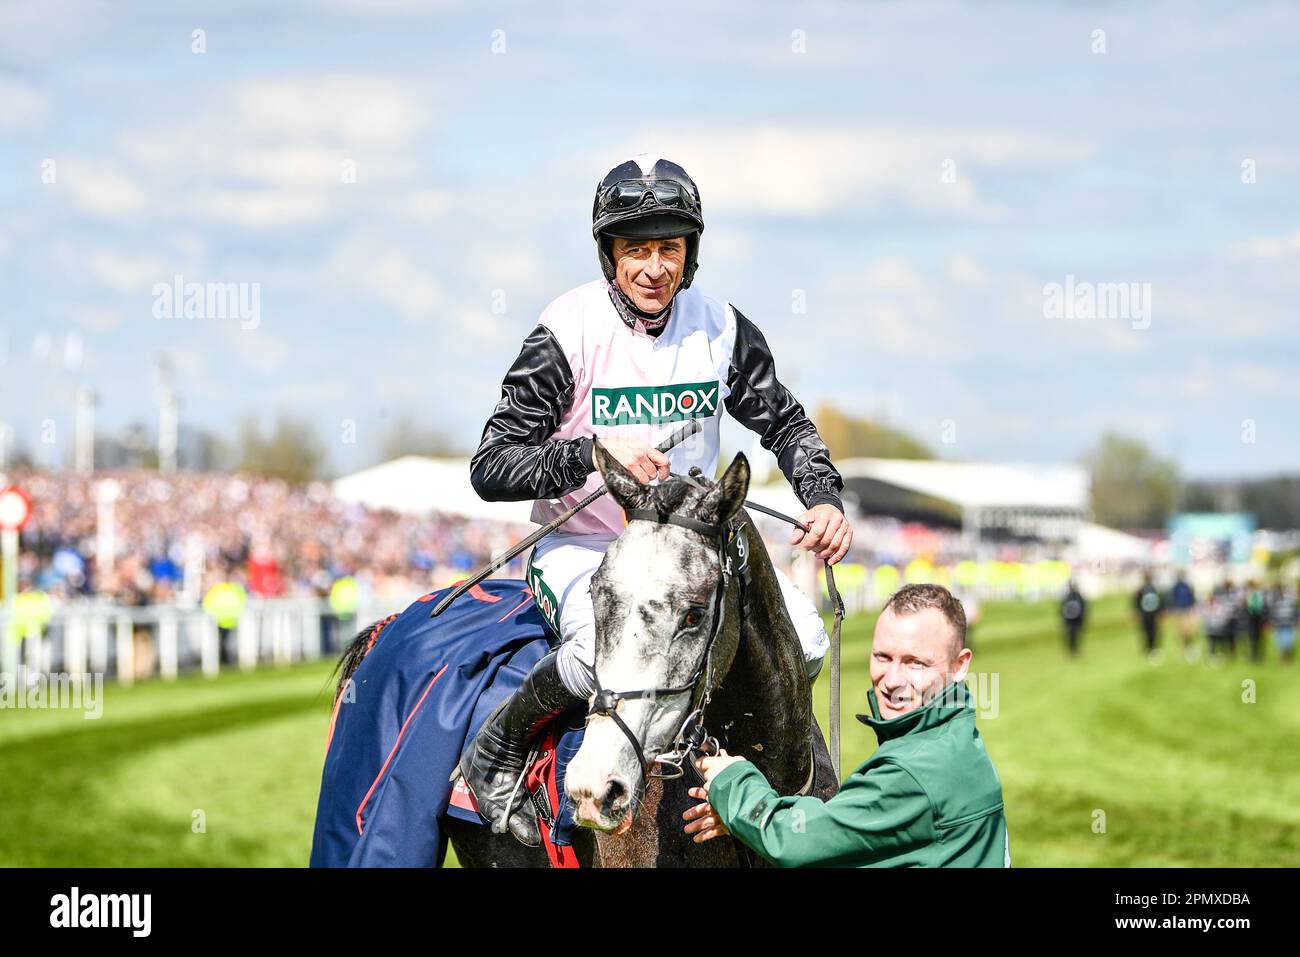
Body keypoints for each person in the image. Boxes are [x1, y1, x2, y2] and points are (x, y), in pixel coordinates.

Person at [457, 155, 854, 846]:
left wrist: (822, 497)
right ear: (609, 254)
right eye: (635, 249)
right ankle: (498, 746)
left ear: (689, 255)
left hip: (695, 548)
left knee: (807, 640)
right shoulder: (567, 329)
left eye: (668, 249)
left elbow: (784, 422)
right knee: (600, 650)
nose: (653, 267)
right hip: (588, 545)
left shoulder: (721, 326)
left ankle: (791, 787)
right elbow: (491, 465)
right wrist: (590, 455)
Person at [680, 583, 1009, 867]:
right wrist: (742, 815)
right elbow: (851, 829)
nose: (892, 679)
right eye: (882, 656)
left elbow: (793, 841)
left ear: (961, 664)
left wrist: (732, 782)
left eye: (916, 663)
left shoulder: (915, 773)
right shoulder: (957, 735)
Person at [1133, 571, 1164, 662]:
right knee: (1146, 632)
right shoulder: (1141, 590)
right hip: (1145, 615)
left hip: (1153, 614)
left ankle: (1153, 648)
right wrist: (1137, 612)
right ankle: (1148, 649)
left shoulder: (1154, 589)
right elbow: (1137, 603)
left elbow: (1159, 601)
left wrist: (1160, 612)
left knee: (1153, 632)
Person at [1169, 571, 1198, 661]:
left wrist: (1192, 608)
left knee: (1188, 630)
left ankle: (1188, 647)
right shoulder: (1176, 587)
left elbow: (1192, 598)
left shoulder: (1187, 586)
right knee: (1183, 631)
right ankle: (1185, 648)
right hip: (1180, 611)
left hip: (1187, 610)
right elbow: (1173, 599)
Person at [1269, 581, 1297, 665]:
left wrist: (1296, 621)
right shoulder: (1274, 601)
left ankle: (1287, 659)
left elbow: (1295, 612)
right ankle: (1282, 659)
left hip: (1288, 625)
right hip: (1278, 625)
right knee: (1279, 643)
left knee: (1288, 643)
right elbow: (1272, 613)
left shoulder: (1290, 600)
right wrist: (1272, 623)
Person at [1242, 579, 1269, 662]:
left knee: (1257, 638)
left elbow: (1259, 608)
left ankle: (1257, 655)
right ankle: (1255, 655)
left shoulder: (1258, 595)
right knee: (1253, 638)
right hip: (1253, 620)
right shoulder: (1252, 595)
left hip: (1257, 619)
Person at [1060, 579, 1087, 657]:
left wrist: (1082, 620)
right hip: (1069, 622)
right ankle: (1071, 651)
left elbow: (1083, 609)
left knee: (1077, 636)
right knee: (1069, 637)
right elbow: (1062, 610)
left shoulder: (1078, 597)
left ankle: (1076, 651)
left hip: (1077, 621)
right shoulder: (1066, 598)